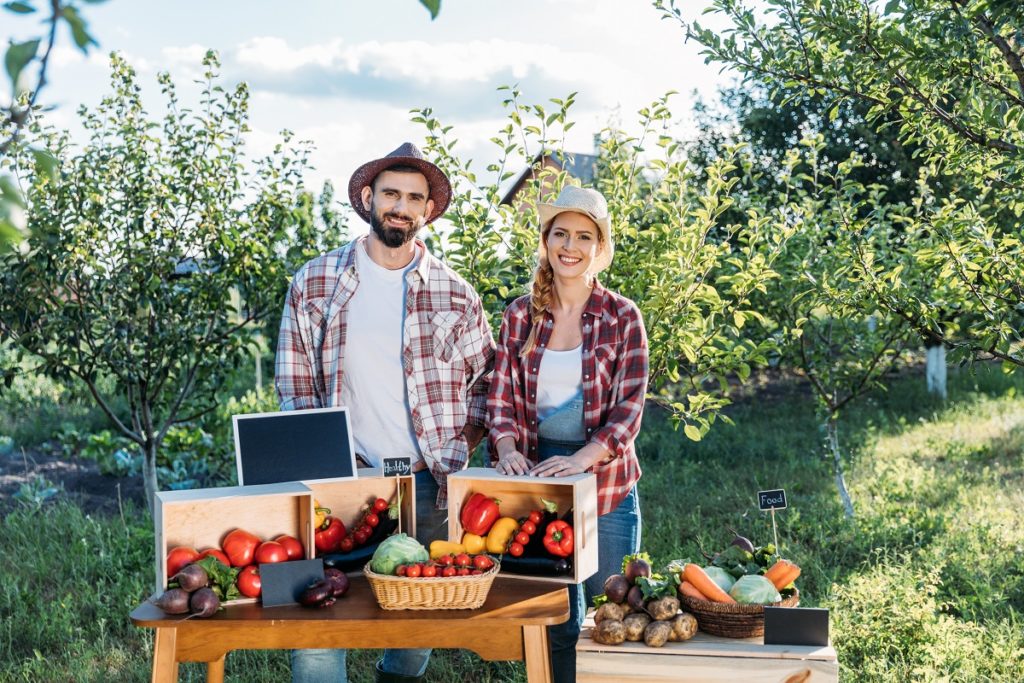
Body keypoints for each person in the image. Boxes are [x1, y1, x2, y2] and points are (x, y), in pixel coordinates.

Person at [275, 142, 495, 683]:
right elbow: (295, 388)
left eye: (414, 198)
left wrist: (460, 445)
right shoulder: (316, 282)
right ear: (369, 198)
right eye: (391, 193)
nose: (401, 206)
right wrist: (326, 464)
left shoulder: (456, 294)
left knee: (417, 623)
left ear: (427, 212)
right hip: (338, 480)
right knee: (317, 619)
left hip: (426, 482)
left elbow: (486, 385)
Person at [487, 185, 648, 683]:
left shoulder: (622, 317)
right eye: (560, 234)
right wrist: (509, 448)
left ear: (599, 248)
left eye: (583, 236)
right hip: (539, 471)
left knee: (612, 601)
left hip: (605, 474)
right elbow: (502, 397)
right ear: (545, 241)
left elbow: (629, 405)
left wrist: (584, 458)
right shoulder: (521, 314)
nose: (570, 246)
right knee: (555, 609)